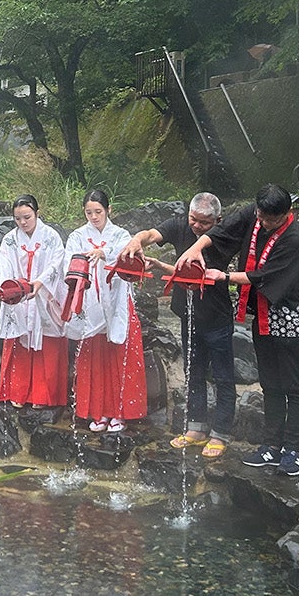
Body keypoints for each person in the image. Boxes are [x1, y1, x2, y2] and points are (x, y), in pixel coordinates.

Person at [179, 184, 299, 476]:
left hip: (289, 315)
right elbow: (223, 230)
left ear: (286, 214)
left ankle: (294, 450)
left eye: (269, 220)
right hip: (263, 314)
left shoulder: (297, 239)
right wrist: (196, 248)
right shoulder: (255, 213)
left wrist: (224, 276)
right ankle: (271, 446)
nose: (262, 223)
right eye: (261, 217)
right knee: (269, 383)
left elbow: (265, 276)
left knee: (294, 385)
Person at [121, 192, 234, 457]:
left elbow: (205, 275)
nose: (196, 226)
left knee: (222, 377)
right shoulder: (181, 224)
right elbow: (152, 234)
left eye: (204, 223)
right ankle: (196, 428)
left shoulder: (224, 234)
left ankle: (221, 433)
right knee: (193, 370)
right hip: (188, 312)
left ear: (217, 220)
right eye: (193, 219)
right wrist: (137, 240)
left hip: (216, 315)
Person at [65, 190, 146, 433]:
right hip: (91, 302)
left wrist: (105, 254)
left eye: (98, 212)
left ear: (109, 210)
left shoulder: (121, 235)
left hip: (116, 301)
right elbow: (68, 264)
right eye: (89, 212)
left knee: (118, 357)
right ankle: (97, 412)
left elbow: (128, 262)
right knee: (94, 359)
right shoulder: (77, 236)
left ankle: (120, 413)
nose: (93, 216)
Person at [0, 194, 68, 410]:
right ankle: (17, 391)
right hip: (20, 298)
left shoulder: (51, 237)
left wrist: (40, 282)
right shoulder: (9, 239)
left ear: (37, 213)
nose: (22, 223)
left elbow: (57, 263)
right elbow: (4, 265)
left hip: (43, 296)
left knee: (46, 342)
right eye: (17, 219)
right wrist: (10, 288)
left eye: (27, 217)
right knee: (20, 340)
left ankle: (43, 395)